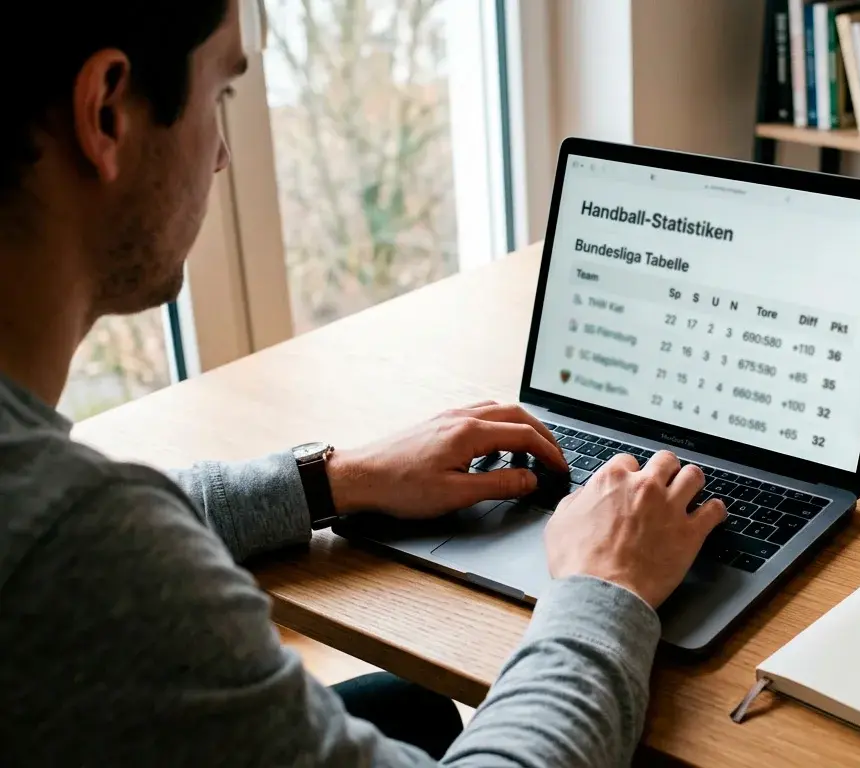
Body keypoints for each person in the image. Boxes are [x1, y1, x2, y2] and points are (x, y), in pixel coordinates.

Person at [0, 1, 728, 766]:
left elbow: (97, 532)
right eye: (222, 93)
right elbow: (93, 546)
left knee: (405, 705)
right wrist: (604, 586)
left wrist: (334, 480)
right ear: (106, 110)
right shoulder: (78, 548)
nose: (219, 154)